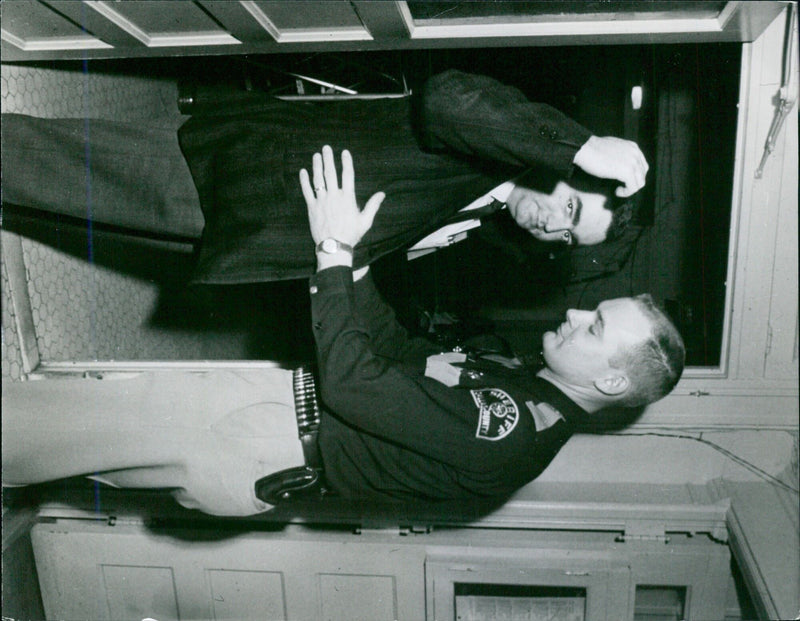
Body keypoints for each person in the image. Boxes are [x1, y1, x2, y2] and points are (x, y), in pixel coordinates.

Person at [1, 148, 683, 517]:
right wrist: (352, 267)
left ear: (613, 378)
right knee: (60, 437)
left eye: (594, 325)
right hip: (266, 419)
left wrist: (329, 253)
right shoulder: (519, 384)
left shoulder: (511, 429)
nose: (571, 314)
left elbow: (357, 385)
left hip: (261, 432)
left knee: (35, 429)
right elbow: (398, 353)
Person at [1, 70, 647, 284]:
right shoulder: (497, 144)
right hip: (238, 175)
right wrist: (584, 145)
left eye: (566, 238)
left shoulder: (482, 208)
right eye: (570, 208)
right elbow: (447, 99)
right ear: (570, 172)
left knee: (66, 195)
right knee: (52, 165)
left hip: (249, 224)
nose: (549, 226)